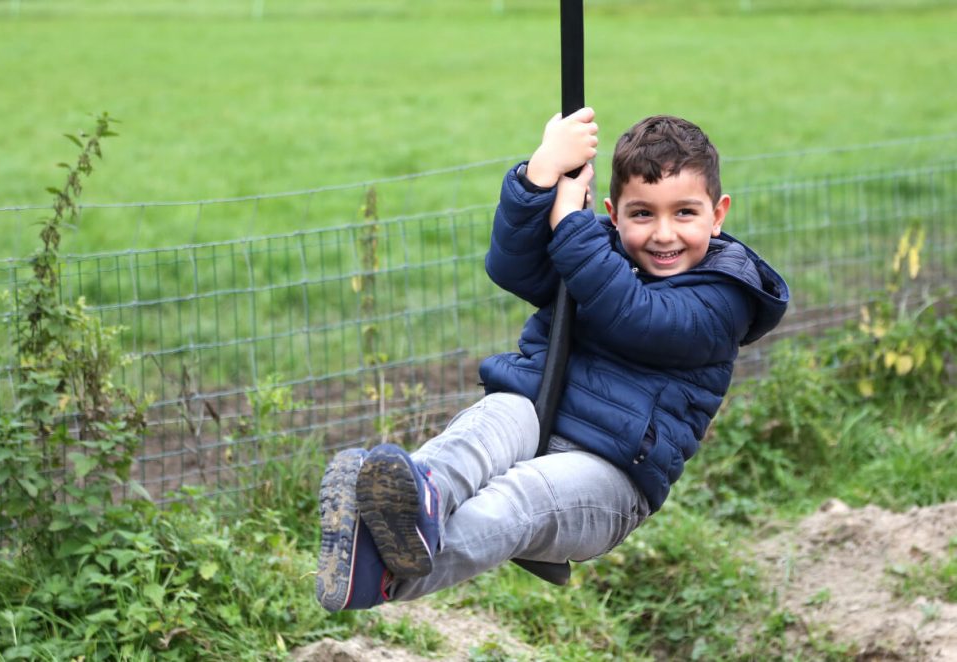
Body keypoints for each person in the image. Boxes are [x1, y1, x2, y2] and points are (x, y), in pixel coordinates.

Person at [315, 109, 790, 612]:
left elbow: (639, 317)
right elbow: (514, 267)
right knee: (490, 423)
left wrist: (571, 226)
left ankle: (378, 577)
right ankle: (417, 498)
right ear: (615, 211)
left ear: (718, 215)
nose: (663, 233)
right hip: (536, 410)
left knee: (509, 502)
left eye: (685, 213)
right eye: (643, 213)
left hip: (610, 475)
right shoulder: (594, 248)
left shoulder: (727, 295)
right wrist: (540, 175)